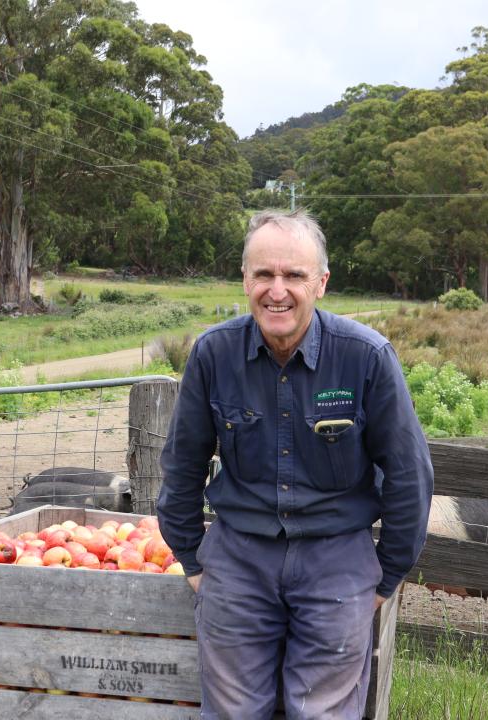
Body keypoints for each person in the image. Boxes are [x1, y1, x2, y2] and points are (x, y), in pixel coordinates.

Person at [157, 209, 433, 719]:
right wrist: (193, 560)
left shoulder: (366, 357)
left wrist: (386, 575)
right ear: (245, 279)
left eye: (294, 276)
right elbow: (182, 463)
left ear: (321, 283)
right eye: (263, 274)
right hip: (237, 561)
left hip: (337, 562)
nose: (276, 290)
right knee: (234, 712)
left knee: (322, 712)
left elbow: (408, 474)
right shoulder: (213, 355)